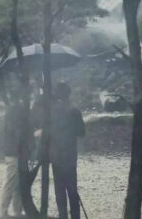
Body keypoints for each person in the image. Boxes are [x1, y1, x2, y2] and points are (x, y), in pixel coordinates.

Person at [50, 82, 85, 219]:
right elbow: (81, 132)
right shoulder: (74, 111)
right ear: (68, 94)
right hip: (69, 155)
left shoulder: (51, 111)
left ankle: (62, 216)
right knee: (72, 188)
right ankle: (75, 216)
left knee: (59, 189)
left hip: (55, 155)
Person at [0, 93, 25, 218]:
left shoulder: (14, 110)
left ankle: (17, 211)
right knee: (11, 181)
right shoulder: (13, 112)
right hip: (13, 152)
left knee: (18, 182)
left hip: (16, 151)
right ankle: (3, 211)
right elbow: (14, 132)